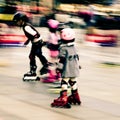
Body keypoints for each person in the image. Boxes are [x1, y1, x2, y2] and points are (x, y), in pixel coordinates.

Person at [51, 28, 81, 108]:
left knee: (64, 82)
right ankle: (75, 96)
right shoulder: (74, 47)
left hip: (67, 70)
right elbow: (76, 58)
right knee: (73, 82)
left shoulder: (63, 48)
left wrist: (59, 68)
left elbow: (62, 60)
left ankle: (63, 98)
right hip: (75, 69)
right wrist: (78, 66)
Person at [13, 12, 49, 79]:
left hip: (37, 42)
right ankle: (44, 65)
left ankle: (36, 70)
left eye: (17, 21)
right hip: (36, 42)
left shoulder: (26, 26)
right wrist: (28, 41)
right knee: (36, 55)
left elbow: (36, 35)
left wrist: (31, 40)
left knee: (33, 55)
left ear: (21, 20)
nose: (16, 23)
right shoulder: (25, 26)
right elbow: (32, 35)